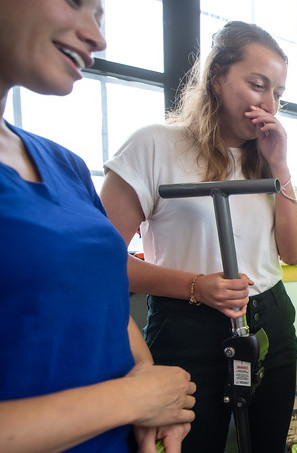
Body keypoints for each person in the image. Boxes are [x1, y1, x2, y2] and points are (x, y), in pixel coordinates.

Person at [100, 21, 297, 453]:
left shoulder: (266, 159)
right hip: (187, 324)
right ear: (217, 76)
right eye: (257, 85)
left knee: (267, 445)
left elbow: (293, 252)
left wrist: (280, 166)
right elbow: (100, 264)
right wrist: (196, 286)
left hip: (268, 318)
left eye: (279, 94)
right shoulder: (154, 146)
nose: (269, 104)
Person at [0, 0, 197, 452]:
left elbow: (106, 290)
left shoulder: (65, 165)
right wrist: (131, 399)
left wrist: (148, 382)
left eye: (102, 16)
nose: (98, 38)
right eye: (75, 2)